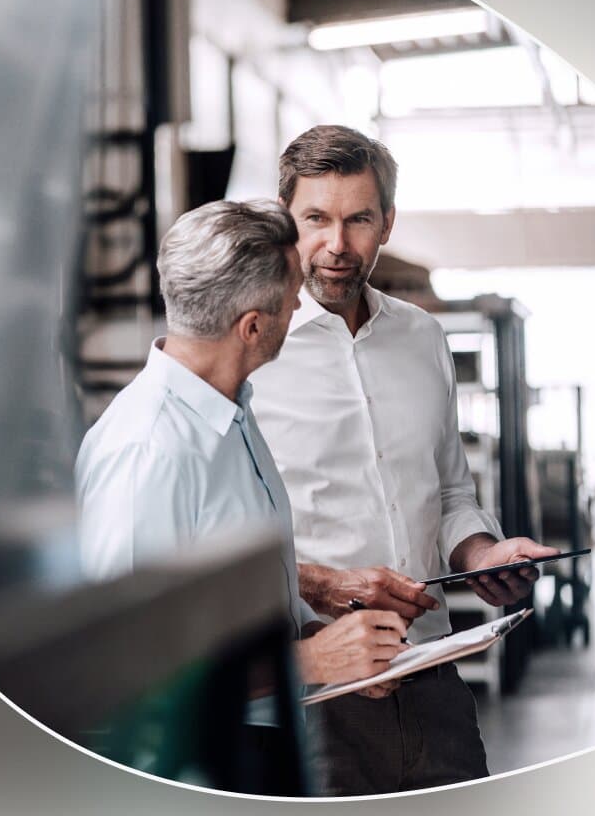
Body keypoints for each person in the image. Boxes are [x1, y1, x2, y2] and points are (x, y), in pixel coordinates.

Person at [249, 126, 558, 795]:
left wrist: (481, 556)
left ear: (387, 222)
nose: (336, 245)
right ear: (285, 222)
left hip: (433, 679)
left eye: (358, 219)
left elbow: (449, 491)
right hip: (320, 696)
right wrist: (326, 583)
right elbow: (223, 534)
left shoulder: (423, 337)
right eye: (315, 219)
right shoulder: (252, 351)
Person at [75, 199, 408, 788]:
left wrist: (332, 641)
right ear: (253, 327)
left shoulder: (232, 413)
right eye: (289, 302)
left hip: (262, 743)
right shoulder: (148, 451)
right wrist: (310, 661)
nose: (299, 307)